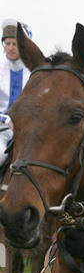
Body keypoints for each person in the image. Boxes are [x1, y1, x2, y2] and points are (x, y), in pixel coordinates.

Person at [0, 18, 32, 167]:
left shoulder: (33, 73)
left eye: (15, 44)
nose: (11, 48)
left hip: (27, 130)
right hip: (2, 129)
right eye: (7, 44)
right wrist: (7, 120)